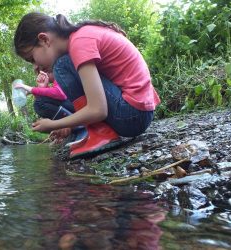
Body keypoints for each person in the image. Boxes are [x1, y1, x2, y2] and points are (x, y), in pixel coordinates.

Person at [13, 12, 160, 159]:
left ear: (44, 39)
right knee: (62, 67)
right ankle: (96, 132)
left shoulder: (79, 43)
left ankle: (101, 134)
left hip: (132, 115)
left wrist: (53, 124)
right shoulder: (80, 38)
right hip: (138, 112)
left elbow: (98, 110)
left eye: (32, 58)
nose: (34, 67)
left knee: (61, 66)